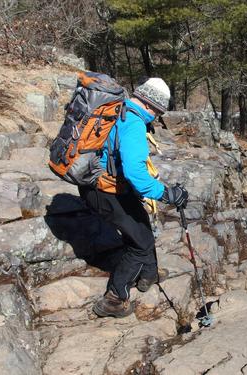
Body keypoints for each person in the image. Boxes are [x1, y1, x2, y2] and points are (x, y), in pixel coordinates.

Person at [78, 77, 188, 318]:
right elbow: (135, 172)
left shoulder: (117, 109)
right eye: (158, 112)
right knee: (139, 245)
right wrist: (167, 194)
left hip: (99, 184)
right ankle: (114, 300)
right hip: (105, 191)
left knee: (140, 225)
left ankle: (148, 274)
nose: (157, 117)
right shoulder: (134, 122)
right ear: (150, 105)